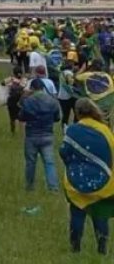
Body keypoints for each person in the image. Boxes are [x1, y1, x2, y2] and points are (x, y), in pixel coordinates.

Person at [60, 98, 113, 254]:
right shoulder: (105, 130)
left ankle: (75, 249)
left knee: (77, 215)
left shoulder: (72, 130)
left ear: (77, 113)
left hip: (76, 181)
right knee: (100, 216)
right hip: (102, 182)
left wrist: (73, 165)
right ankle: (102, 249)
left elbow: (63, 151)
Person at [19, 78, 61, 193]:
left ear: (32, 88)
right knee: (49, 162)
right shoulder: (52, 101)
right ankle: (53, 187)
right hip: (47, 134)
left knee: (30, 162)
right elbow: (57, 118)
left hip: (32, 135)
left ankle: (30, 187)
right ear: (43, 88)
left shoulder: (28, 101)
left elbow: (21, 117)